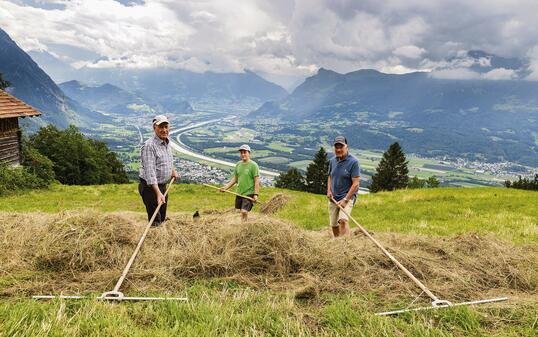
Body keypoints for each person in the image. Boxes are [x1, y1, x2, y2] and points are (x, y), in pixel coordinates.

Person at [139, 115, 179, 227]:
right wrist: (158, 193)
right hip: (150, 188)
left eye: (166, 127)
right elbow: (150, 172)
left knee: (162, 217)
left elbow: (167, 160)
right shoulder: (149, 146)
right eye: (161, 127)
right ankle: (155, 241)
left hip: (162, 186)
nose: (164, 130)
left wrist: (172, 170)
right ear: (154, 128)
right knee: (155, 221)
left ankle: (160, 240)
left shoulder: (166, 142)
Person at [327, 136, 361, 237]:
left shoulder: (354, 162)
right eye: (336, 147)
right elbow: (330, 176)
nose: (338, 149)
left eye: (341, 147)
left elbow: (356, 183)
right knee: (333, 225)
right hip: (333, 198)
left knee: (343, 221)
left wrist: (345, 200)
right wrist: (328, 191)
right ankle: (338, 245)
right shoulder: (332, 161)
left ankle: (346, 246)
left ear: (347, 147)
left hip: (348, 197)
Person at [220, 144, 260, 221]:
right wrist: (225, 188)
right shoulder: (238, 164)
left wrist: (256, 194)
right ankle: (243, 224)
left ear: (249, 153)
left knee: (244, 211)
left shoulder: (254, 165)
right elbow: (235, 179)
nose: (243, 154)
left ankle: (244, 227)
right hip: (239, 192)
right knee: (238, 211)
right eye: (241, 152)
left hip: (249, 193)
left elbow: (256, 181)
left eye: (245, 152)